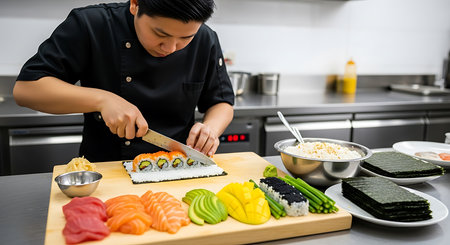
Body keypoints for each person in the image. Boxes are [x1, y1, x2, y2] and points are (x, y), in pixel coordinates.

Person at [13, 0, 234, 162]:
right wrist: (101, 99)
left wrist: (210, 129)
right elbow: (26, 89)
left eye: (186, 38)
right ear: (135, 4)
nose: (170, 48)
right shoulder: (92, 24)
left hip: (177, 164)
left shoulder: (206, 38)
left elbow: (221, 102)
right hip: (106, 168)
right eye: (160, 34)